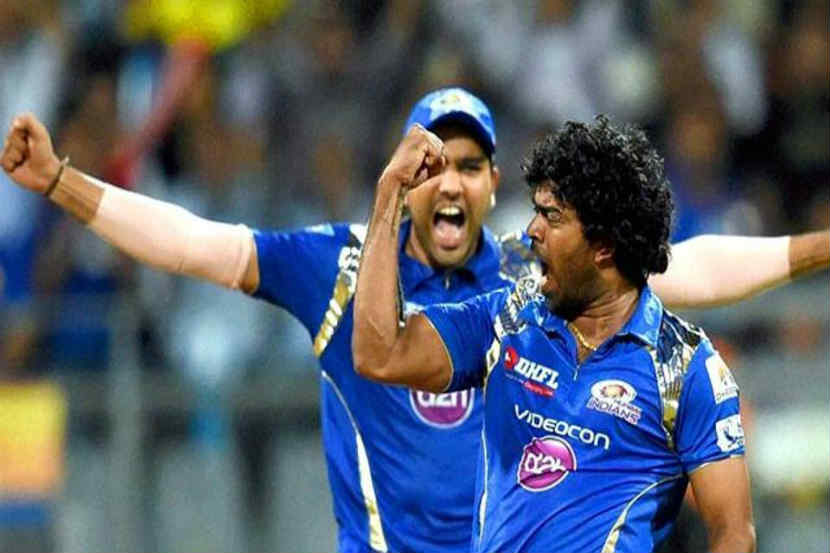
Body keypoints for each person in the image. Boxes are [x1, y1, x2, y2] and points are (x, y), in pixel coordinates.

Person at [2, 88, 827, 552]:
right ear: (403, 174)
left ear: (493, 181)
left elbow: (683, 265)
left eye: (470, 165)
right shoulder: (339, 267)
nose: (450, 182)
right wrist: (60, 181)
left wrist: (819, 247)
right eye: (431, 162)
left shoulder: (529, 278)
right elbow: (193, 245)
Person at [352, 116, 757, 552]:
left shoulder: (684, 368)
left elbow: (733, 534)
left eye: (552, 216)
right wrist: (390, 192)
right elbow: (379, 354)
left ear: (604, 244)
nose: (532, 230)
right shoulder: (508, 319)